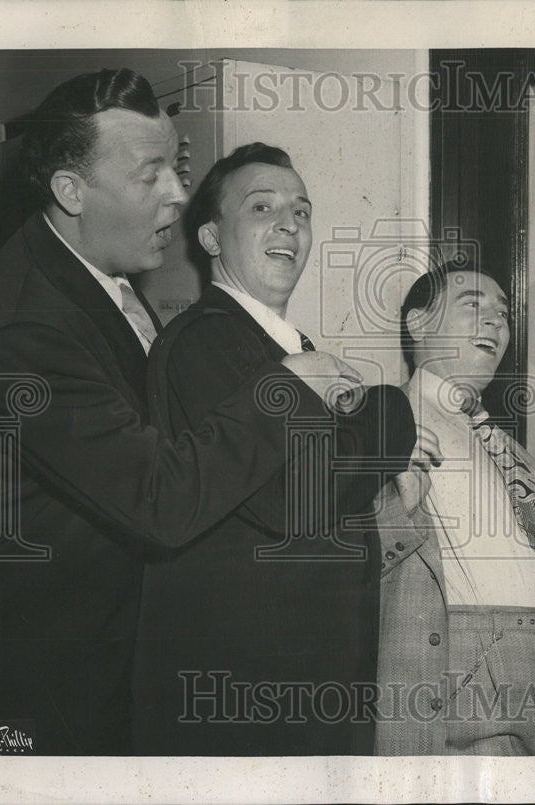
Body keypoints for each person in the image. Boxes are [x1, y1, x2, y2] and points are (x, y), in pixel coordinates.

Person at [0, 71, 382, 755]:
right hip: (52, 699)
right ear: (70, 190)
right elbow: (157, 497)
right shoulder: (25, 330)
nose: (179, 195)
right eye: (151, 176)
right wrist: (289, 389)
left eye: (176, 168)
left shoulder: (99, 280)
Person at [133, 143, 419, 755]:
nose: (290, 223)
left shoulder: (285, 350)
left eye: (302, 210)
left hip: (306, 683)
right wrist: (393, 413)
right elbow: (297, 495)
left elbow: (328, 473)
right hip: (249, 697)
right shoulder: (204, 341)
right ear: (211, 238)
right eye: (262, 206)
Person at [374, 260, 535, 756]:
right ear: (418, 323)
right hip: (476, 665)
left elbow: (517, 555)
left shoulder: (509, 447)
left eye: (502, 313)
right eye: (472, 307)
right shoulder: (387, 417)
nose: (496, 323)